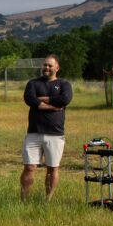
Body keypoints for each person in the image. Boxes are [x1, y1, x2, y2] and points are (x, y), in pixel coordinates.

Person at [20, 54, 73, 202]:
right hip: (34, 133)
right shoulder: (33, 83)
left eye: (50, 65)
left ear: (57, 68)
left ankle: (47, 200)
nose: (46, 68)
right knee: (30, 167)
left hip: (55, 134)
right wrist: (52, 105)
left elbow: (65, 99)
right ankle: (24, 200)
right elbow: (29, 99)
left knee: (52, 168)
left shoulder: (64, 84)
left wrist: (42, 100)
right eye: (45, 65)